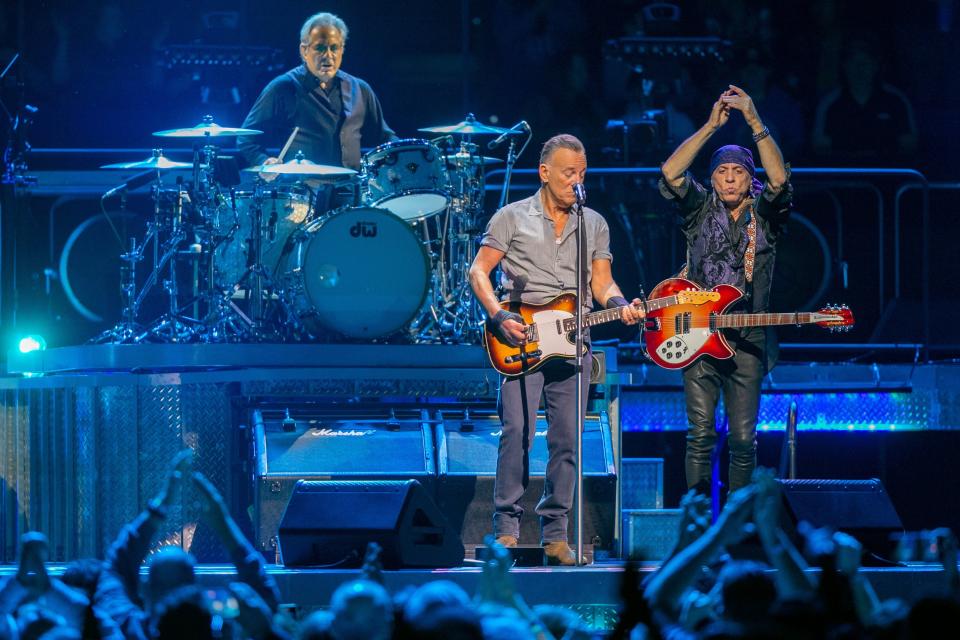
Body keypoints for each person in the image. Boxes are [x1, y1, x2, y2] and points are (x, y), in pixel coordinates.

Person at [468, 134, 643, 565]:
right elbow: (479, 271)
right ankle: (505, 531)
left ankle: (556, 536)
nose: (576, 181)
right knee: (517, 434)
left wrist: (621, 306)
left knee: (568, 441)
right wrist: (498, 316)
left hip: (573, 342)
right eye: (568, 172)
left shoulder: (593, 223)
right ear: (544, 172)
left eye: (582, 173)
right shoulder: (511, 217)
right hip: (521, 338)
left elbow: (601, 283)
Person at [659, 85, 792, 496]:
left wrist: (753, 120)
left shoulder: (764, 215)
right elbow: (670, 173)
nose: (731, 178)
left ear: (749, 178)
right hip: (698, 335)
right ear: (713, 178)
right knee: (699, 435)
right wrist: (711, 126)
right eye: (722, 171)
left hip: (749, 339)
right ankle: (696, 522)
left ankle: (736, 529)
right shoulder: (699, 208)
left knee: (742, 441)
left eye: (738, 172)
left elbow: (780, 178)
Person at [238, 12, 396, 171]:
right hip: (302, 191)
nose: (328, 56)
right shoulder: (283, 87)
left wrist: (408, 154)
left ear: (342, 50)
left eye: (334, 48)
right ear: (304, 50)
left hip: (352, 190)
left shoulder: (360, 89)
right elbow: (246, 139)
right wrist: (264, 162)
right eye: (320, 48)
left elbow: (384, 138)